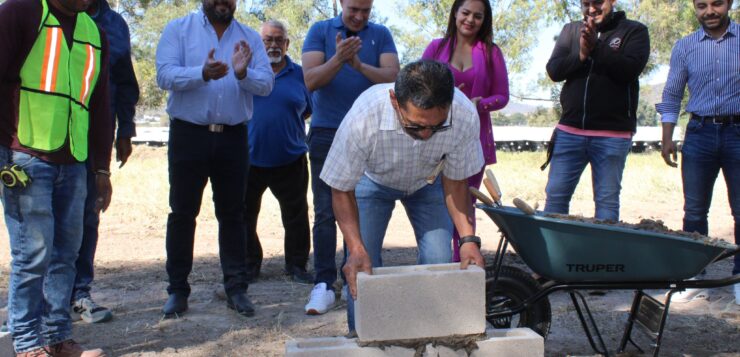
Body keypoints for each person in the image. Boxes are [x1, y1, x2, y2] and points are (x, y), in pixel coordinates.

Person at [321, 60, 487, 333]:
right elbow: (341, 187)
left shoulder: (464, 114)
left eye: (436, 126)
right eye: (415, 126)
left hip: (429, 182)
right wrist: (356, 248)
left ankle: (431, 338)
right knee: (362, 266)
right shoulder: (365, 114)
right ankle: (361, 339)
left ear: (449, 104)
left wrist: (468, 240)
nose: (425, 134)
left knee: (439, 259)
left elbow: (456, 182)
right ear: (394, 100)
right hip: (372, 183)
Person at [0, 0, 113, 354]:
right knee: (33, 254)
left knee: (66, 255)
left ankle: (56, 338)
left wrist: (102, 169)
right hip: (26, 157)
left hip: (75, 161)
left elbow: (99, 106)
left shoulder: (95, 33)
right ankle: (26, 342)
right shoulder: (19, 12)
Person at [155, 0, 273, 318]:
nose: (224, 2)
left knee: (234, 215)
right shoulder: (179, 30)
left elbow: (266, 84)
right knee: (182, 213)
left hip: (233, 137)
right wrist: (202, 73)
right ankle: (177, 291)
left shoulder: (249, 37)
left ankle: (236, 288)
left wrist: (242, 73)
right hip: (188, 135)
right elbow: (164, 76)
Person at [302, 0, 400, 315]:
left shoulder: (381, 34)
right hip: (327, 132)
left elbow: (393, 78)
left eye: (366, 10)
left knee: (361, 208)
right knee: (326, 210)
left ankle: (354, 277)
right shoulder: (319, 31)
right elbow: (311, 80)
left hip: (371, 133)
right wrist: (339, 59)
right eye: (353, 9)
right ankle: (323, 284)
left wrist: (359, 66)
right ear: (341, 3)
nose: (359, 16)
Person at [657, 0, 739, 304]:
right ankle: (693, 277)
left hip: (738, 133)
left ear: (729, 3)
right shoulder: (685, 46)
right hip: (699, 134)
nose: (710, 12)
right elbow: (672, 93)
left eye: (717, 4)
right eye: (702, 5)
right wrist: (667, 136)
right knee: (694, 211)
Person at [543, 0, 650, 221]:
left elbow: (629, 70)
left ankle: (603, 256)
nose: (592, 9)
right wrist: (581, 55)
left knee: (607, 203)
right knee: (555, 198)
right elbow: (554, 70)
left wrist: (596, 47)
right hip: (569, 132)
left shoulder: (635, 31)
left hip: (612, 135)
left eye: (598, 2)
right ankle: (553, 254)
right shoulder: (571, 30)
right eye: (586, 3)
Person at [421, 0, 509, 261]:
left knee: (465, 205)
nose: (470, 20)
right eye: (466, 13)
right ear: (455, 14)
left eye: (478, 16)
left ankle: (464, 262)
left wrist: (479, 104)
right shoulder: (436, 47)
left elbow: (502, 96)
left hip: (474, 138)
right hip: (433, 137)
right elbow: (418, 83)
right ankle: (438, 262)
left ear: (485, 20)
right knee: (434, 203)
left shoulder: (492, 52)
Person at [71, 0, 140, 324]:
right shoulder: (46, 14)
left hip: (95, 139)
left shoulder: (115, 25)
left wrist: (125, 129)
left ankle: (79, 294)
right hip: (47, 138)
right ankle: (33, 303)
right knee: (45, 220)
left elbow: (125, 83)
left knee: (89, 214)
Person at [244, 20, 313, 284]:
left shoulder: (300, 74)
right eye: (267, 40)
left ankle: (296, 266)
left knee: (296, 215)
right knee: (244, 216)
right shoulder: (246, 71)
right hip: (249, 159)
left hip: (291, 158)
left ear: (287, 44)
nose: (273, 44)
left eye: (278, 40)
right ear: (259, 44)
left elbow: (307, 109)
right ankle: (250, 265)